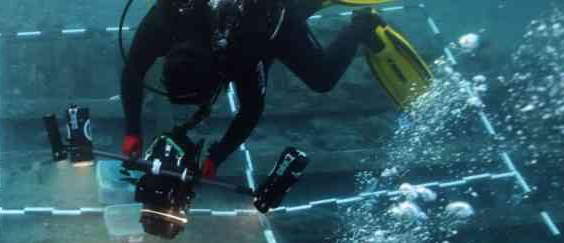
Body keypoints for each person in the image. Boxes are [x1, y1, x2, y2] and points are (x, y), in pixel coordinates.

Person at [120, 0, 392, 178]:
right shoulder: (166, 19)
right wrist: (132, 130)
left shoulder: (243, 53)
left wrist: (217, 156)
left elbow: (251, 110)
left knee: (322, 79)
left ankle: (362, 26)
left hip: (276, 17)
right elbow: (132, 72)